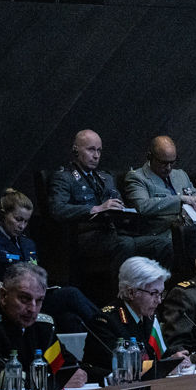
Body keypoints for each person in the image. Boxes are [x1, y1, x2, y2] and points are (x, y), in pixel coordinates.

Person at [0, 188, 97, 333]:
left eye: (26, 221)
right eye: (18, 219)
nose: (21, 226)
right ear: (3, 215)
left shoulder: (28, 244)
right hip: (11, 299)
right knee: (71, 294)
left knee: (70, 319)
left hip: (35, 298)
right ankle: (107, 327)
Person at [0, 263, 87, 390]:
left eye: (39, 300)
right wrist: (57, 381)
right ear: (3, 297)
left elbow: (63, 365)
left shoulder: (43, 325)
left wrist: (78, 374)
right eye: (24, 299)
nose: (33, 309)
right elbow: (0, 378)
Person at [47, 128, 133, 301]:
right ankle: (120, 299)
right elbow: (57, 209)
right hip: (83, 237)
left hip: (111, 232)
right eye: (91, 149)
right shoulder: (65, 178)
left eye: (99, 150)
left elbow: (117, 201)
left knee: (158, 244)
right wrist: (95, 209)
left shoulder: (104, 177)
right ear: (76, 150)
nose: (96, 155)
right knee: (126, 244)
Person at [83, 257, 190, 381]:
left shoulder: (148, 317)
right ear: (131, 293)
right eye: (153, 293)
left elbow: (160, 354)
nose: (159, 301)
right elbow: (123, 368)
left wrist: (177, 357)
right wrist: (166, 365)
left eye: (161, 293)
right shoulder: (105, 321)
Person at [123, 135, 196, 268]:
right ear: (150, 157)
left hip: (189, 229)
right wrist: (180, 200)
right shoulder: (137, 178)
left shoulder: (180, 175)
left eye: (172, 162)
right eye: (163, 163)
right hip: (161, 234)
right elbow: (142, 206)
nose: (168, 167)